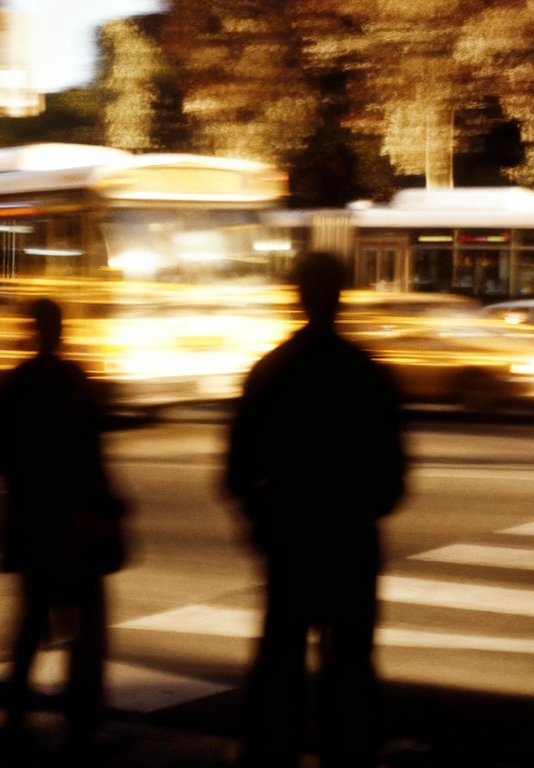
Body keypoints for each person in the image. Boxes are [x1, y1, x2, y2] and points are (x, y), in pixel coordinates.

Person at [226, 252, 405, 768]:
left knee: (280, 660)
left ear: (298, 296)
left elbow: (237, 469)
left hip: (290, 539)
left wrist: (263, 516)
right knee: (349, 665)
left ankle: (271, 749)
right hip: (350, 540)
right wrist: (360, 508)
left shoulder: (273, 371)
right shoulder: (366, 374)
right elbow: (394, 475)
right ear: (340, 296)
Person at [0, 298, 125, 759]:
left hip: (35, 525)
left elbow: (4, 456)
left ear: (31, 331)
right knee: (85, 631)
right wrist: (106, 509)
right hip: (75, 526)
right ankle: (81, 727)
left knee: (32, 624)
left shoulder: (16, 384)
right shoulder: (74, 381)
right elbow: (91, 456)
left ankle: (15, 719)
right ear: (60, 330)